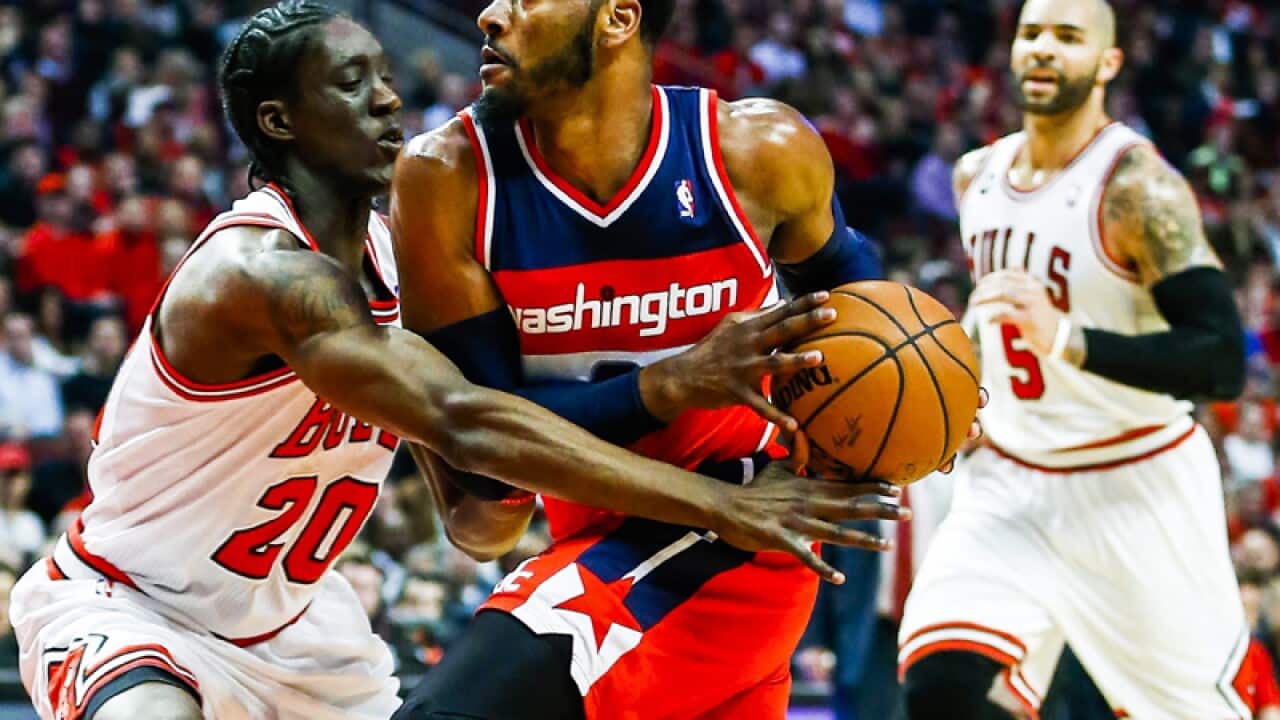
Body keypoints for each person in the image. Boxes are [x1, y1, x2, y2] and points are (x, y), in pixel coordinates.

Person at [7, 3, 906, 719]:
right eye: (353, 85)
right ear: (281, 120)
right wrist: (705, 469)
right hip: (132, 605)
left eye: (388, 80)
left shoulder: (406, 264)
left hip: (299, 626)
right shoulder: (264, 273)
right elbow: (469, 421)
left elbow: (481, 521)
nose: (391, 101)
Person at [387, 1, 934, 718]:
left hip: (746, 521)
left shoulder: (754, 152)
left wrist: (933, 400)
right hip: (599, 535)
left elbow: (880, 322)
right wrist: (670, 384)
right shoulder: (447, 178)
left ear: (617, 18)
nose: (490, 14)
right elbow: (490, 466)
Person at [897, 1, 1248, 718]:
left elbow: (1220, 360)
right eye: (1032, 34)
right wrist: (965, 386)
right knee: (942, 690)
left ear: (1108, 62)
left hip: (1136, 482)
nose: (1044, 50)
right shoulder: (978, 176)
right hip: (1009, 484)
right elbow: (995, 308)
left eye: (1067, 37)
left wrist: (1067, 338)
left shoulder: (1138, 189)